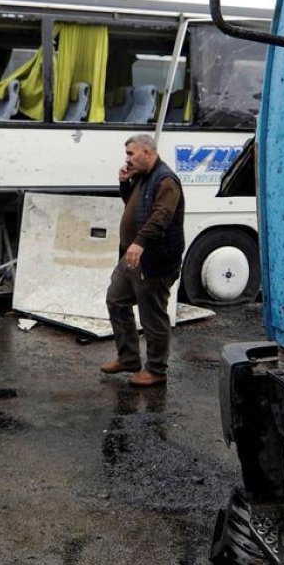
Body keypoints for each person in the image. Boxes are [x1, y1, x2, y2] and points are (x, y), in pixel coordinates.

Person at [101, 133, 186, 387]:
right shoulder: (142, 176)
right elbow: (135, 206)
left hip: (154, 261)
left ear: (147, 153)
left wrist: (139, 242)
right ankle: (128, 358)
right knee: (116, 300)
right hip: (131, 258)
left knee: (153, 316)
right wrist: (124, 183)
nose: (127, 159)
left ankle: (157, 370)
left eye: (131, 153)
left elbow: (161, 216)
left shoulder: (166, 180)